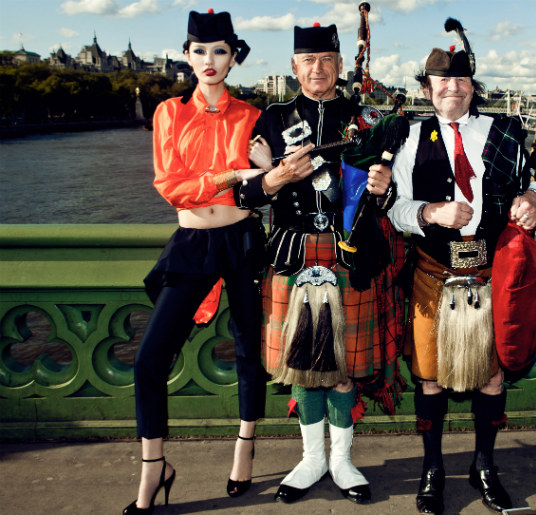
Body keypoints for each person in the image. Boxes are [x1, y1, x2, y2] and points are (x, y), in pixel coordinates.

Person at [237, 22, 404, 505]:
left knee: (345, 368)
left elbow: (392, 195)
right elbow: (245, 194)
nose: (317, 68)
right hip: (292, 254)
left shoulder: (366, 118)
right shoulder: (271, 119)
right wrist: (278, 175)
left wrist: (383, 186)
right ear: (294, 67)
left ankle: (342, 460)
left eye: (326, 59)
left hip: (349, 252)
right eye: (308, 61)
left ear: (338, 64)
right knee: (303, 366)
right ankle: (311, 459)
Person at [383, 36, 536, 514]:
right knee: (429, 378)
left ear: (473, 86)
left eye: (460, 78)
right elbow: (395, 210)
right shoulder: (409, 137)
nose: (451, 86)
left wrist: (533, 200)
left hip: (493, 275)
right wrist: (430, 212)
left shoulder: (506, 131)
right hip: (433, 273)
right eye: (441, 79)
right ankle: (433, 470)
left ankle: (484, 466)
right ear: (427, 87)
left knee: (492, 378)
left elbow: (534, 180)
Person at [124, 9, 267, 514]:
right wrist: (231, 174)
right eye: (200, 51)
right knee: (148, 361)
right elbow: (171, 188)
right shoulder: (168, 112)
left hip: (242, 239)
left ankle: (244, 447)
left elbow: (261, 190)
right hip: (192, 243)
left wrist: (266, 174)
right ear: (187, 56)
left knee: (251, 348)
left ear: (234, 58)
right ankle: (154, 466)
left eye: (221, 51)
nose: (210, 61)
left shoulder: (252, 116)